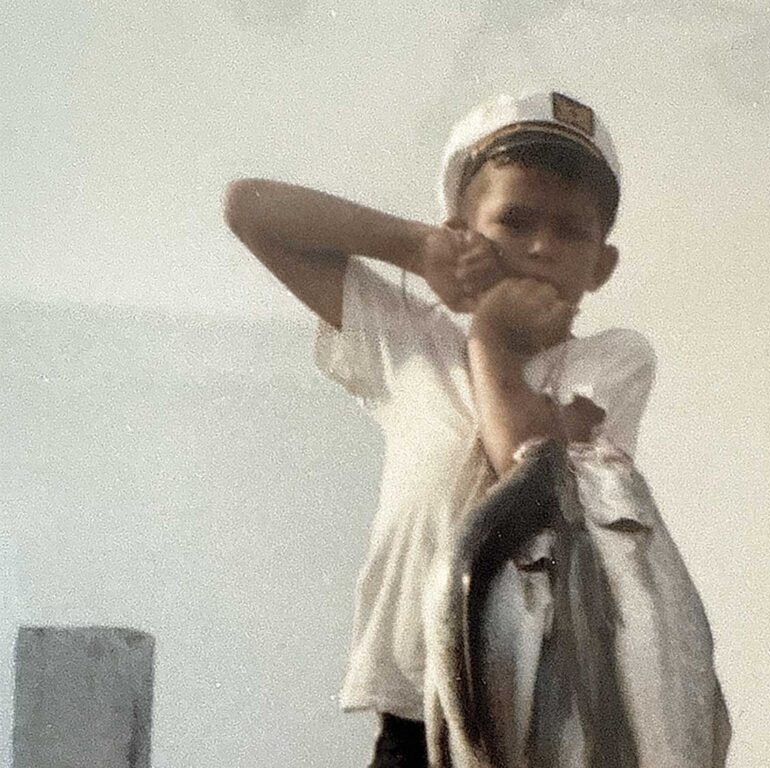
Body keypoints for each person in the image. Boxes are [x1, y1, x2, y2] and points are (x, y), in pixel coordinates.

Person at [223, 91, 656, 767]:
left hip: (541, 721)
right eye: (514, 221)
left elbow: (527, 466)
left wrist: (492, 340)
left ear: (601, 263)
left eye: (573, 231)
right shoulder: (409, 341)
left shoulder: (612, 360)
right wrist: (415, 245)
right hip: (410, 718)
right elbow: (248, 208)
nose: (542, 246)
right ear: (464, 232)